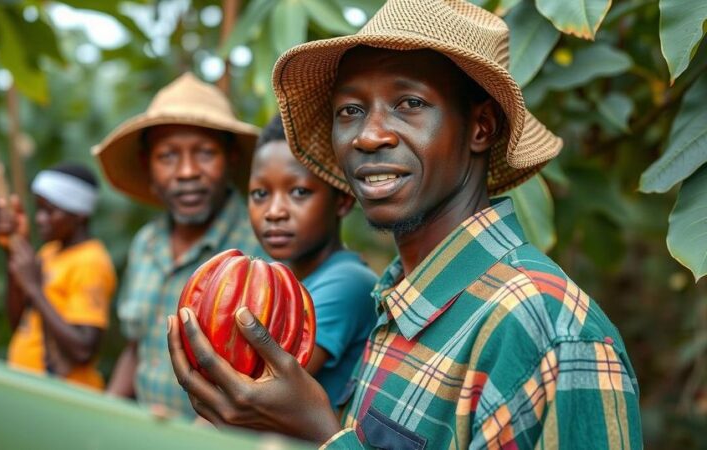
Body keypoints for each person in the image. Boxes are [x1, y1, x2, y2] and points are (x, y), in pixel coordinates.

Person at [166, 0, 643, 448]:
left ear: (481, 127)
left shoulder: (546, 327)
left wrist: (318, 429)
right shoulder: (394, 299)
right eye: (350, 110)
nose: (370, 135)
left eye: (410, 103)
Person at [92, 72, 263, 416]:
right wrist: (104, 416)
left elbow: (264, 375)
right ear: (148, 166)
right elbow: (137, 346)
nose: (186, 171)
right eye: (168, 156)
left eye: (204, 153)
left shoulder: (259, 246)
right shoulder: (146, 244)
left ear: (230, 158)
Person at [248, 115, 377, 408]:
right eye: (260, 194)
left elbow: (259, 394)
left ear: (342, 200)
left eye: (299, 192)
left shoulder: (349, 282)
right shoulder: (271, 280)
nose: (274, 211)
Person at [0, 163, 116, 390]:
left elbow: (83, 349)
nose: (40, 219)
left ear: (79, 215)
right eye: (38, 209)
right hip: (30, 387)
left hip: (66, 394)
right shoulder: (49, 252)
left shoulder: (91, 261)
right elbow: (18, 322)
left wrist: (34, 288)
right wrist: (12, 252)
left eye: (50, 211)